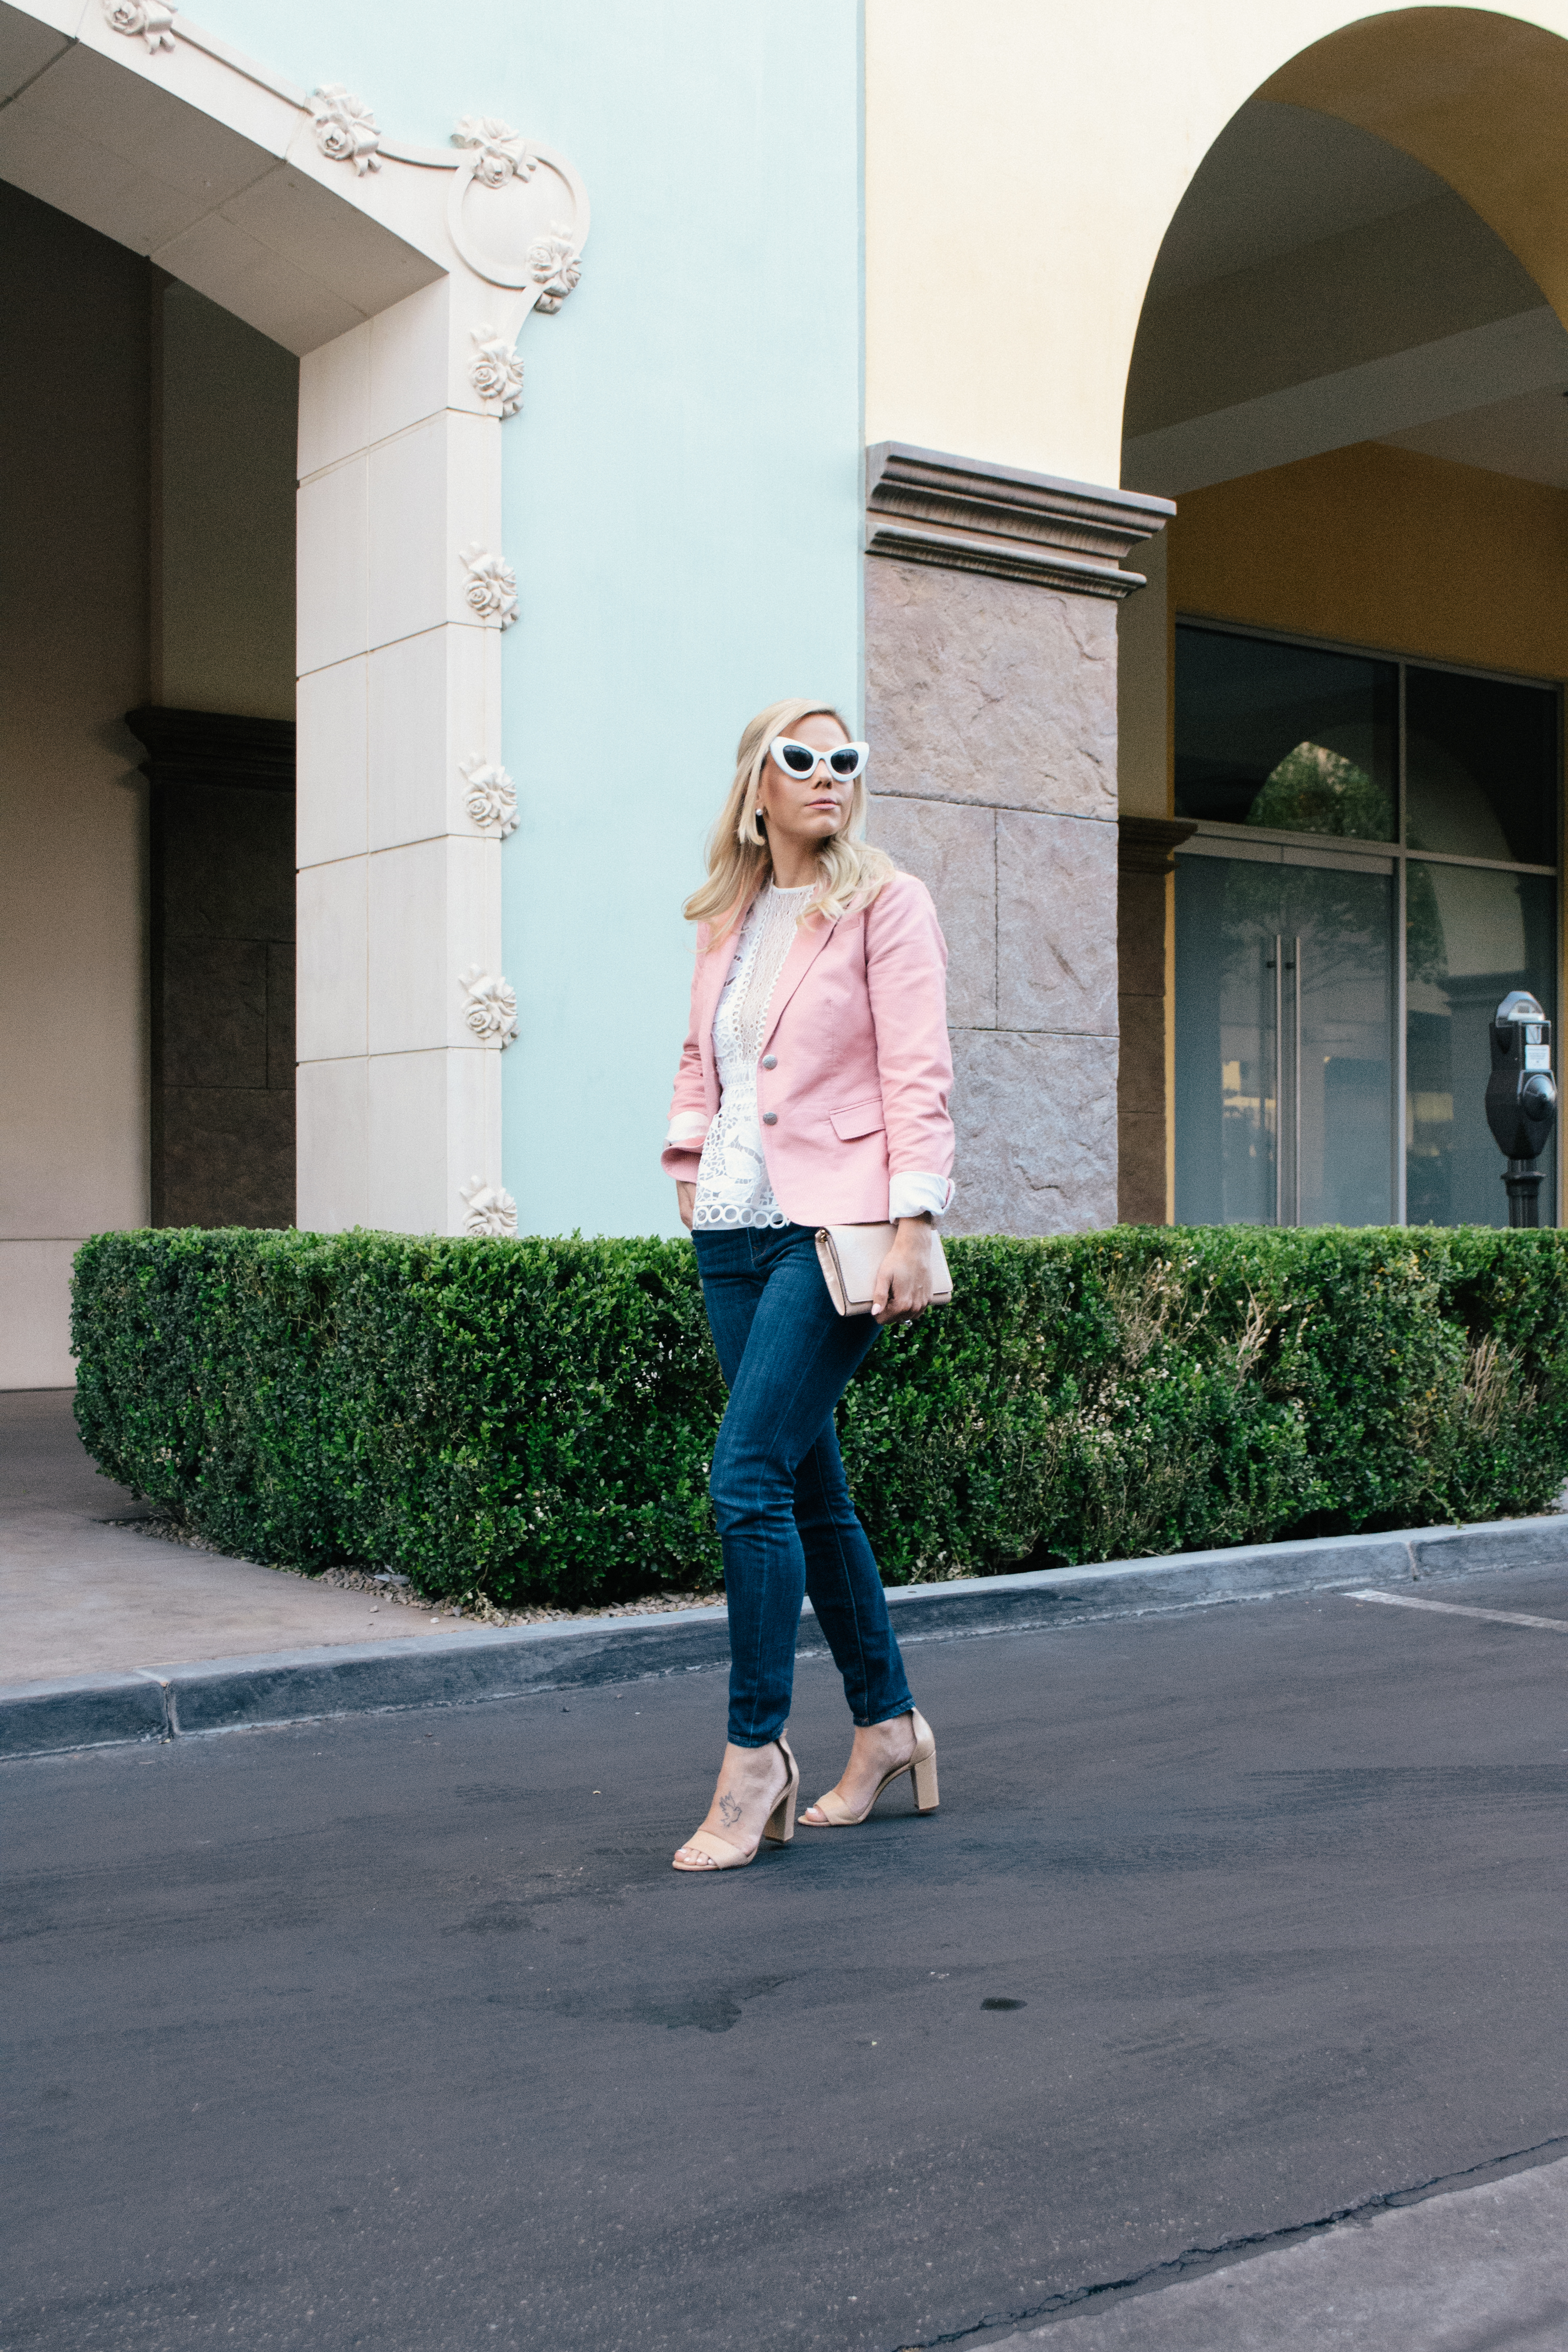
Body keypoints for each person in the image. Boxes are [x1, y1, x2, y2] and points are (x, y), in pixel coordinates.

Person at [662, 696, 954, 1873]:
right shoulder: (729, 916)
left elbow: (917, 1068)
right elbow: (704, 1055)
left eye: (846, 759)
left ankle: (754, 1757)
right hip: (731, 1227)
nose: (827, 775)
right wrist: (687, 1157)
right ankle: (889, 1728)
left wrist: (913, 1221)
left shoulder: (888, 903)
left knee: (743, 1481)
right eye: (803, 758)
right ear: (759, 784)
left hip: (830, 1230)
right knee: (806, 1487)